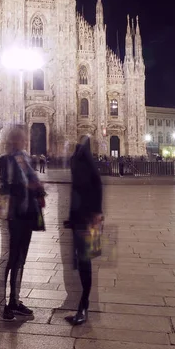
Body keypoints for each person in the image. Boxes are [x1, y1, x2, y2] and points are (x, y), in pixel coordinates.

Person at [0, 126, 46, 320]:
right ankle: (5, 305)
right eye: (21, 138)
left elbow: (32, 178)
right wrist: (29, 185)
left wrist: (39, 190)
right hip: (14, 214)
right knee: (12, 259)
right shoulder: (6, 159)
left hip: (27, 214)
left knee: (20, 259)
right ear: (13, 140)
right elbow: (8, 184)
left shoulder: (24, 157)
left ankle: (15, 301)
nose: (25, 140)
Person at [64, 135, 103, 325]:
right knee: (81, 262)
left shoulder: (85, 169)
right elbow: (77, 196)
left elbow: (95, 190)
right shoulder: (82, 168)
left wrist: (96, 215)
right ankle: (82, 304)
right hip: (82, 221)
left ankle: (83, 307)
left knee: (85, 262)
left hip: (89, 222)